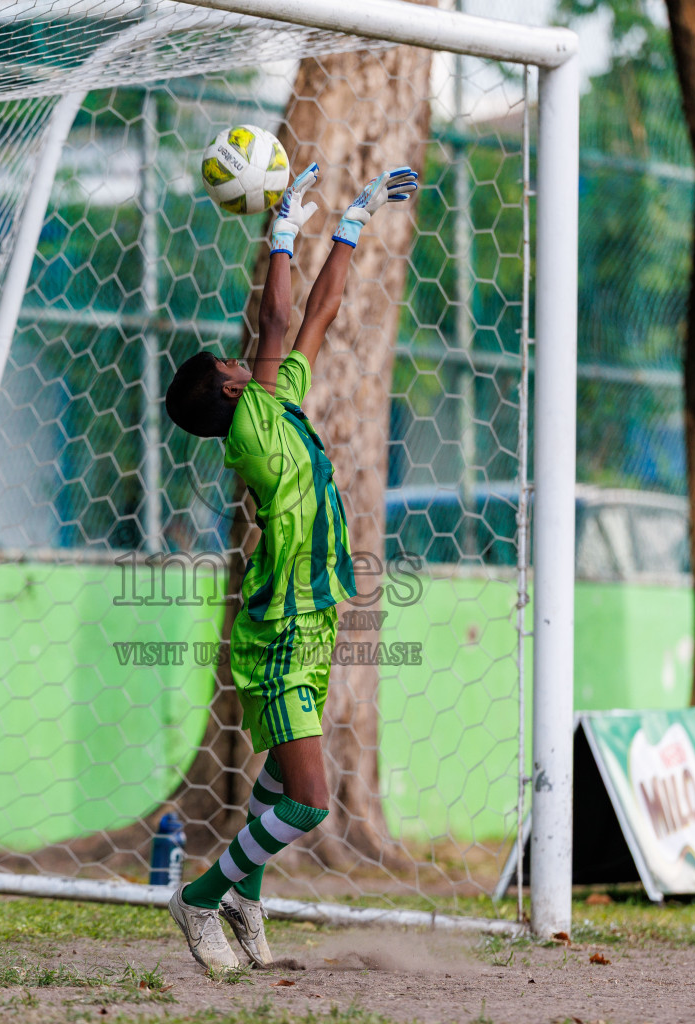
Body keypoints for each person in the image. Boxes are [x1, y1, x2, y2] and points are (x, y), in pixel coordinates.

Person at [160, 162, 418, 970]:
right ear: (228, 390)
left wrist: (348, 222)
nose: (243, 360)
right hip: (276, 635)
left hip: (312, 619)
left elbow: (318, 314)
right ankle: (204, 899)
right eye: (229, 364)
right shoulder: (249, 428)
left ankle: (244, 894)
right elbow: (277, 318)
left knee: (280, 785)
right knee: (309, 801)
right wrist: (280, 231)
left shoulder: (279, 402)